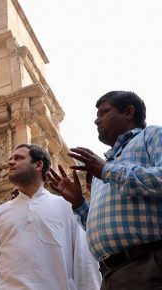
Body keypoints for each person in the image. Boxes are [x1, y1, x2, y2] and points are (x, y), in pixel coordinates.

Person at [48, 91, 162, 290]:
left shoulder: (151, 136)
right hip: (110, 273)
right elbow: (100, 224)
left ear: (129, 112)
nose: (96, 120)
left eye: (104, 113)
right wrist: (79, 204)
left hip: (148, 264)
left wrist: (107, 170)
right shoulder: (103, 166)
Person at [0, 144, 100, 290]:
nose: (10, 162)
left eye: (18, 158)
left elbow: (84, 263)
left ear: (38, 165)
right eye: (10, 159)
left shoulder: (68, 207)